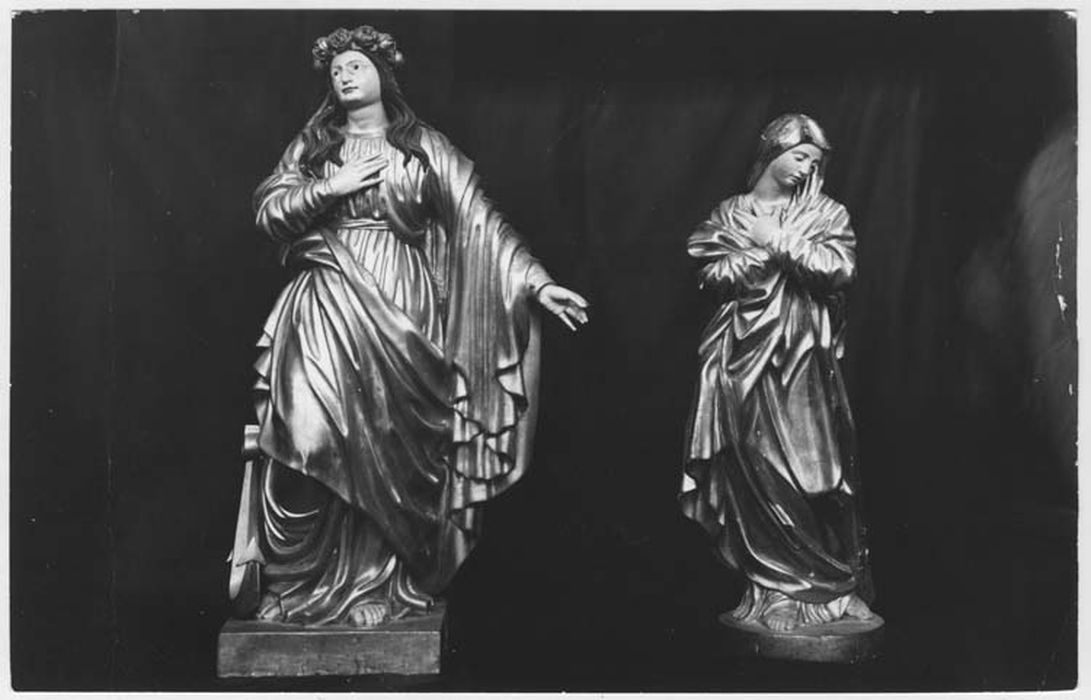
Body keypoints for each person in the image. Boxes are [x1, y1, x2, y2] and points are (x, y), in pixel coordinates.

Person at [227, 25, 589, 628]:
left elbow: (479, 222)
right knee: (306, 439)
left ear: (382, 75)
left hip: (402, 308)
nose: (345, 76)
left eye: (356, 66)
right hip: (325, 300)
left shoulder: (424, 147)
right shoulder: (314, 147)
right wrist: (330, 187)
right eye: (336, 70)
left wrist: (536, 282)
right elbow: (269, 211)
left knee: (385, 445)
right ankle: (300, 582)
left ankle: (376, 586)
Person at [680, 114, 876, 633]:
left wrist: (779, 240)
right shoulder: (730, 213)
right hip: (740, 357)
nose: (806, 167)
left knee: (816, 473)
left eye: (814, 160)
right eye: (799, 156)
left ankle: (830, 588)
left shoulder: (826, 213)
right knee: (753, 462)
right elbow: (709, 273)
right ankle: (774, 589)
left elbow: (840, 269)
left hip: (803, 356)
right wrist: (754, 257)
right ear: (772, 153)